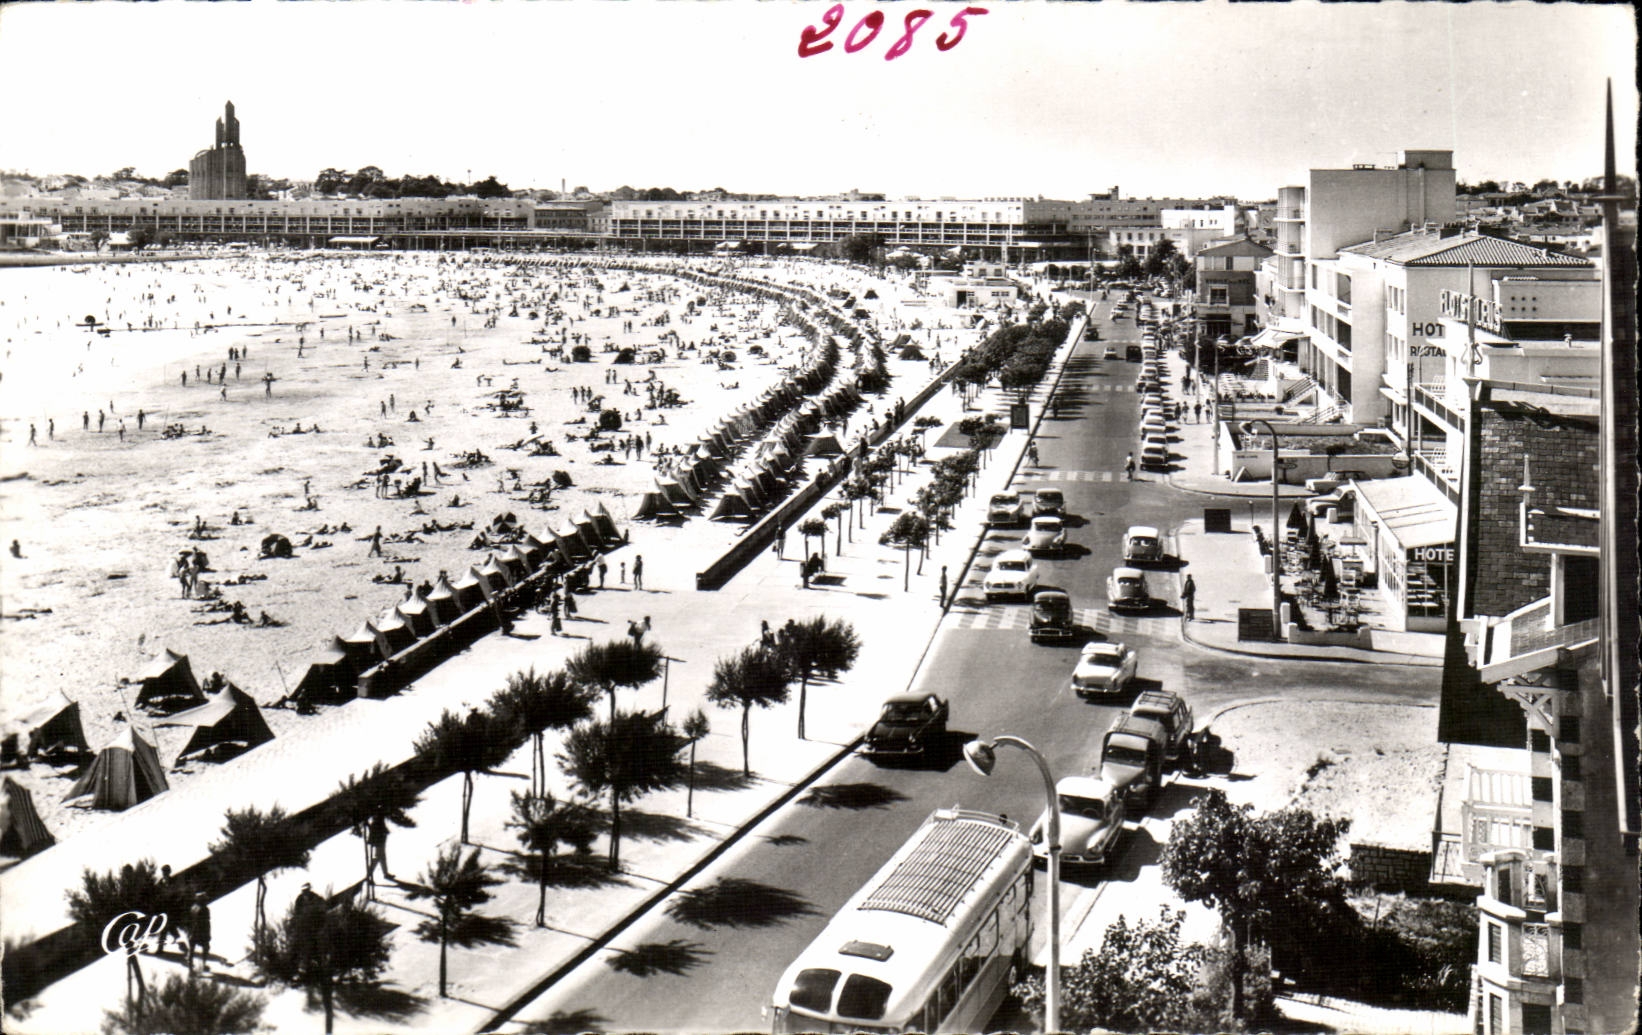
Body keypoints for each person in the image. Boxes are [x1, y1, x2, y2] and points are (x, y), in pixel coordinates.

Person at [185, 894, 212, 972]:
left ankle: (190, 966)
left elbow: (188, 920)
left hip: (191, 932)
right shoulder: (205, 909)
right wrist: (208, 934)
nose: (206, 901)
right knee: (206, 947)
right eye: (205, 900)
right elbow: (206, 923)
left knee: (191, 949)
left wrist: (188, 932)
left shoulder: (193, 907)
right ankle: (203, 965)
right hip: (200, 933)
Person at [366, 813, 392, 883]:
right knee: (378, 857)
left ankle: (385, 873)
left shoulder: (377, 819)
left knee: (382, 857)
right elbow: (375, 829)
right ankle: (369, 875)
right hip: (379, 841)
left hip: (380, 840)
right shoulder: (377, 820)